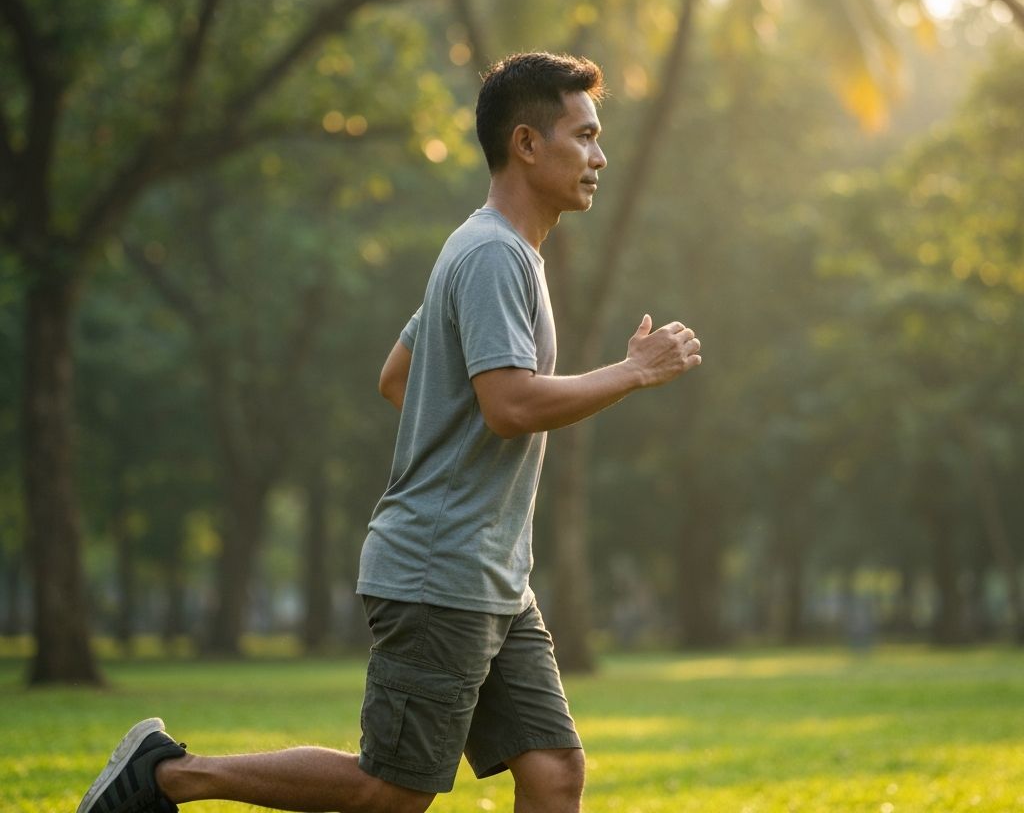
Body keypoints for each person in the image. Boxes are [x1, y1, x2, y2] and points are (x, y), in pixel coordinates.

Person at [77, 52, 702, 813]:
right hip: (443, 569)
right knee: (392, 789)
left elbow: (399, 374)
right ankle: (171, 775)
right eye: (585, 135)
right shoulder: (492, 256)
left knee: (554, 771)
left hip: (493, 571)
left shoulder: (498, 252)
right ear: (527, 144)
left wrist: (454, 443)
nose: (600, 156)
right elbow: (508, 405)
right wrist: (633, 371)